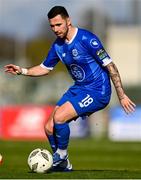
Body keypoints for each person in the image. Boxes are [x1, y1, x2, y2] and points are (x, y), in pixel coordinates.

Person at [4, 6, 136, 172]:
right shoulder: (58, 46)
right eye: (52, 26)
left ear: (68, 21)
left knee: (59, 117)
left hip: (98, 91)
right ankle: (63, 164)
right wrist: (23, 71)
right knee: (48, 127)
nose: (55, 29)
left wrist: (122, 95)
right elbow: (45, 68)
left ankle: (61, 155)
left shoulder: (87, 39)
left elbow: (111, 66)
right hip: (79, 88)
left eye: (58, 24)